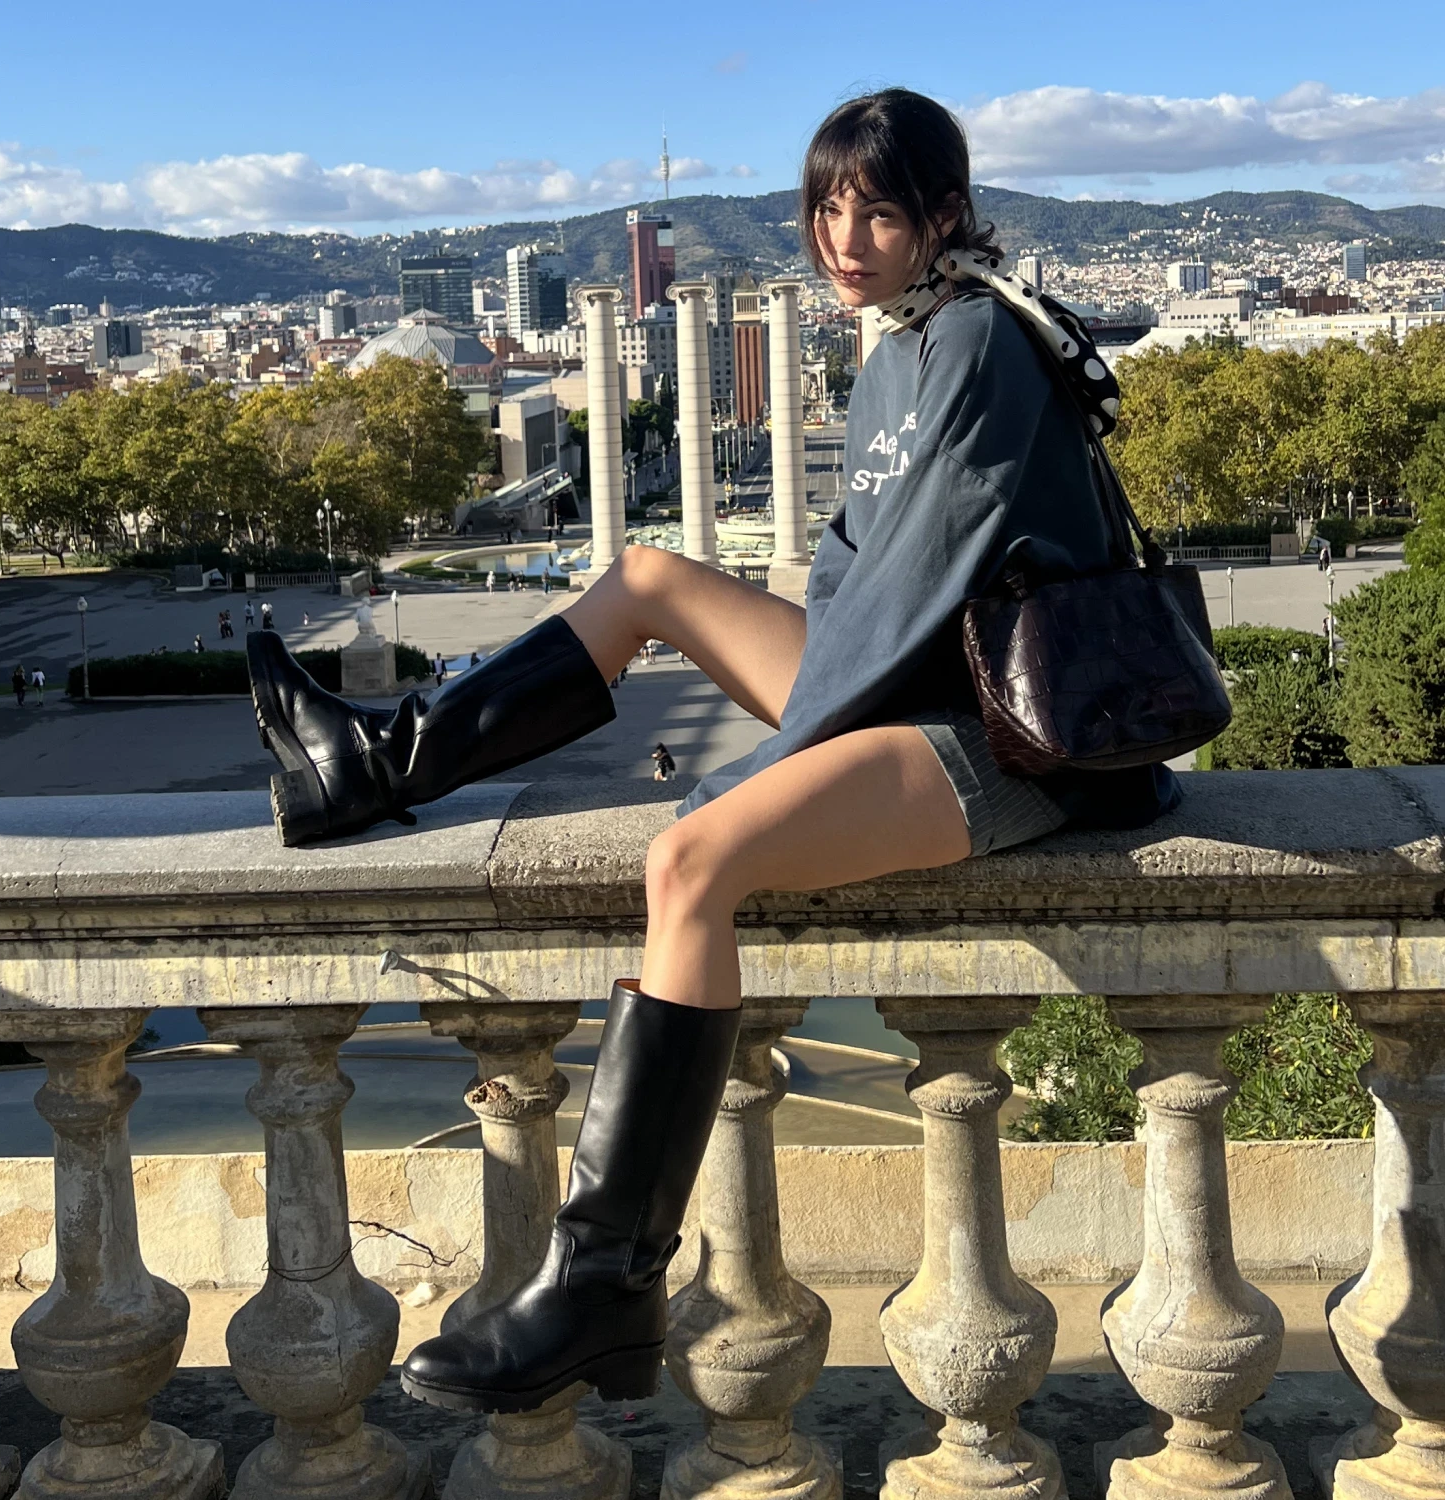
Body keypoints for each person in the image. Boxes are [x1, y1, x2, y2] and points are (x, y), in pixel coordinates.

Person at [243, 87, 1178, 1420]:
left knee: (692, 861)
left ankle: (604, 1286)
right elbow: (860, 585)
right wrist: (813, 711)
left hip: (1008, 733)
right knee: (646, 578)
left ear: (945, 216)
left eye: (878, 212)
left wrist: (774, 773)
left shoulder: (976, 340)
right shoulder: (900, 342)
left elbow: (917, 587)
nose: (843, 239)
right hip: (912, 677)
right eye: (825, 210)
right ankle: (374, 763)